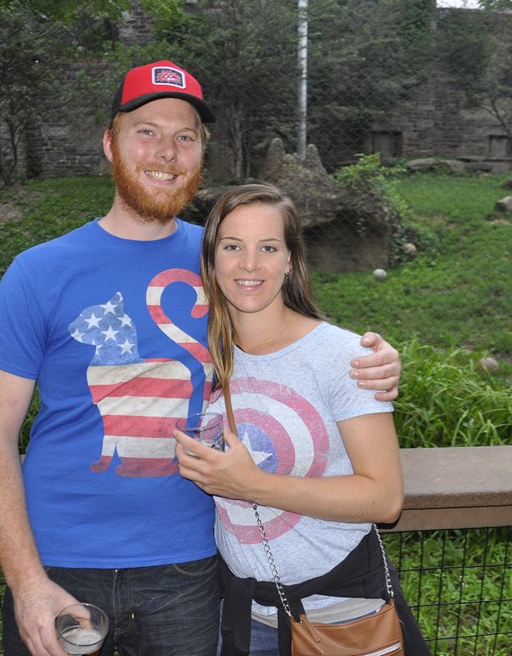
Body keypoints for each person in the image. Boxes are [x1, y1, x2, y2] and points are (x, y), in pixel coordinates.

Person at [0, 60, 402, 656]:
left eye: (185, 137)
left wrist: (370, 357)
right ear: (110, 143)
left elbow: (293, 339)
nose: (166, 152)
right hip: (59, 565)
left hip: (191, 569)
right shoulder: (38, 271)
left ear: (201, 153)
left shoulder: (227, 259)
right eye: (146, 131)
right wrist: (26, 582)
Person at [175, 183, 429, 655]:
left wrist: (252, 484)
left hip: (339, 615)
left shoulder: (342, 357)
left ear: (290, 260)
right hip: (242, 614)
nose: (250, 265)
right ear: (211, 259)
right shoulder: (203, 353)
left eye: (268, 248)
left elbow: (384, 498)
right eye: (232, 247)